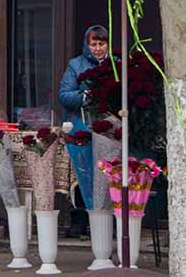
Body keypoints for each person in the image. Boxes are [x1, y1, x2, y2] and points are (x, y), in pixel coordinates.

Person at [59, 24, 110, 238]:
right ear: (86, 45)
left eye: (101, 43)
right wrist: (86, 96)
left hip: (109, 130)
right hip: (83, 126)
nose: (98, 48)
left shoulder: (115, 64)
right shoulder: (76, 65)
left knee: (107, 173)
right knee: (85, 174)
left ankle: (107, 221)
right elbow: (64, 95)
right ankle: (85, 219)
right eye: (94, 44)